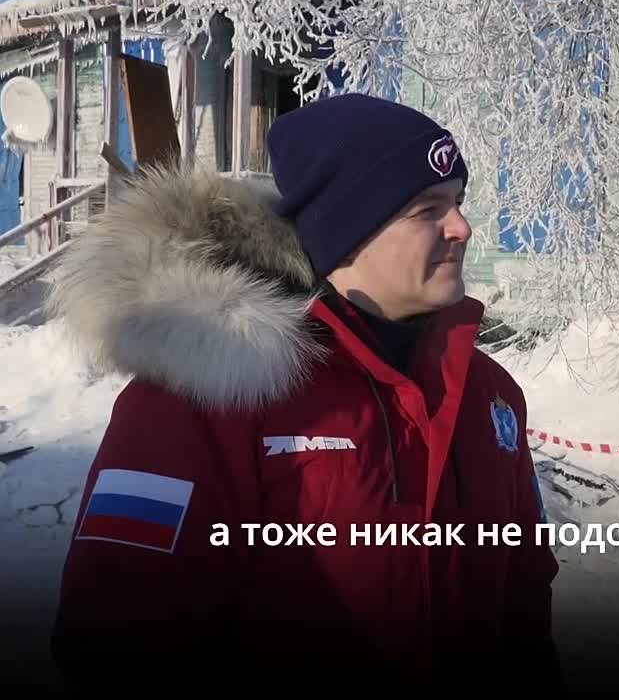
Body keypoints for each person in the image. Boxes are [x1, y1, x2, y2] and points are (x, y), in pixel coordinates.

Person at [44, 93, 560, 689]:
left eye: (459, 202)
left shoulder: (488, 394)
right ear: (348, 232)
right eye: (428, 209)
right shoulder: (202, 391)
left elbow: (525, 602)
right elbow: (113, 636)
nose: (462, 227)